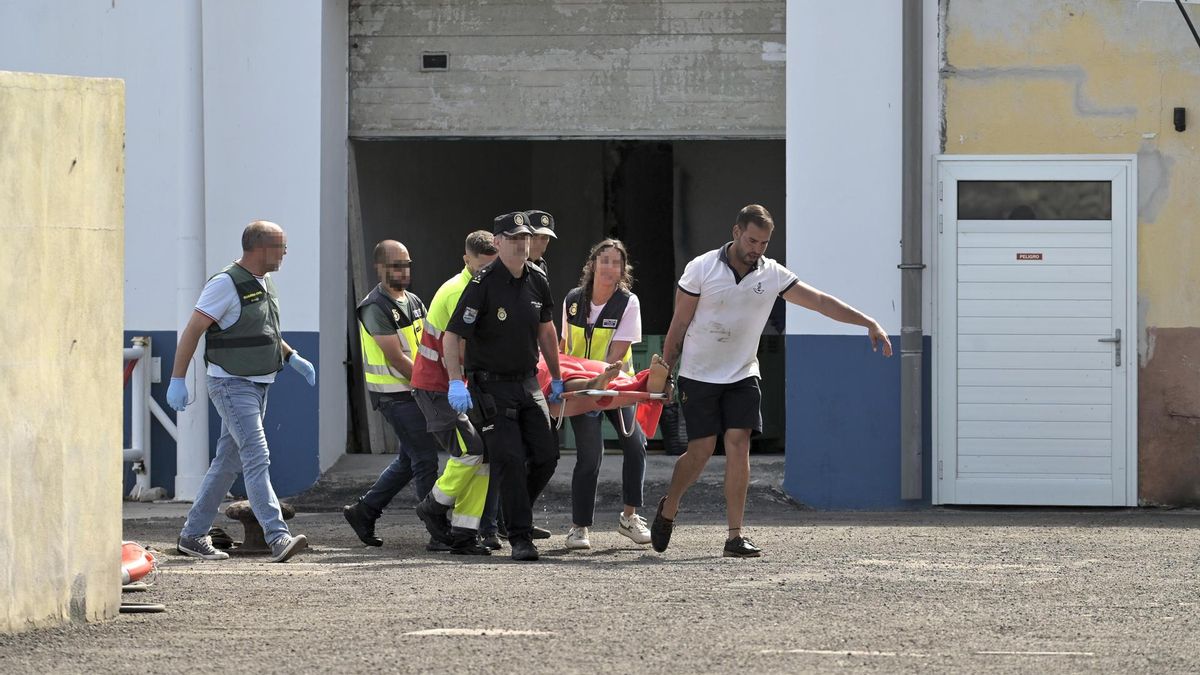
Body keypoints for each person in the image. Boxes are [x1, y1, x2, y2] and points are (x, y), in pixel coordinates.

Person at [650, 205, 892, 558]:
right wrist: (665, 373)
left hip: (743, 373)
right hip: (699, 373)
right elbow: (679, 324)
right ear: (736, 232)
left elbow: (820, 301)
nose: (757, 249)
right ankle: (670, 505)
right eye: (752, 240)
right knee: (701, 450)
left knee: (738, 443)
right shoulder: (702, 268)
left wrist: (868, 321)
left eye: (764, 243)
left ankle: (735, 536)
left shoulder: (772, 274)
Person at [167, 220, 312, 563]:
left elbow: (264, 330)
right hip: (232, 384)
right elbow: (193, 330)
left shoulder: (264, 282)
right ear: (260, 248)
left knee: (227, 462)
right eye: (280, 247)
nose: (285, 253)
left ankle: (192, 535)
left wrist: (291, 356)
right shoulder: (225, 284)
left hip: (259, 384)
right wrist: (177, 378)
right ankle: (277, 537)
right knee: (256, 454)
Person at [442, 212, 564, 562]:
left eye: (525, 238)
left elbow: (546, 331)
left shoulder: (537, 279)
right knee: (509, 459)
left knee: (546, 455)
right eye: (513, 238)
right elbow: (453, 335)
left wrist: (557, 377)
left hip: (527, 382)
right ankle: (521, 537)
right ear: (497, 242)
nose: (521, 244)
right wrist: (455, 381)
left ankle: (511, 515)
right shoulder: (482, 283)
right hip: (491, 386)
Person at [342, 240, 445, 551]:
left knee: (408, 460)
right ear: (380, 268)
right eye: (396, 266)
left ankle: (364, 511)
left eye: (407, 264)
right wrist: (429, 383)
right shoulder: (375, 307)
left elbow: (429, 344)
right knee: (425, 458)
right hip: (395, 396)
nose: (403, 271)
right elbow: (396, 357)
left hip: (414, 391)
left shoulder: (413, 301)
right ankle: (438, 531)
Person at [409, 230, 498, 556]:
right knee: (471, 452)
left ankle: (464, 534)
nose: (486, 271)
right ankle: (433, 506)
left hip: (455, 386)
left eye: (492, 266)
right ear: (466, 259)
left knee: (482, 459)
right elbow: (459, 347)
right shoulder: (458, 292)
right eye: (481, 266)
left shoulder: (478, 287)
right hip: (438, 388)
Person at [560, 239, 651, 550]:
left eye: (616, 262)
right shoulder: (573, 300)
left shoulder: (628, 302)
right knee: (590, 455)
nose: (610, 267)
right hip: (583, 387)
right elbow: (563, 347)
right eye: (605, 260)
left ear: (623, 270)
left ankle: (630, 517)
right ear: (593, 264)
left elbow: (617, 354)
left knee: (635, 444)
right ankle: (579, 527)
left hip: (617, 385)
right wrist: (562, 381)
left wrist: (603, 379)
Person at [526, 209, 555, 276]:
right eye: (534, 235)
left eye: (545, 237)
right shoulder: (508, 263)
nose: (539, 242)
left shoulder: (541, 264)